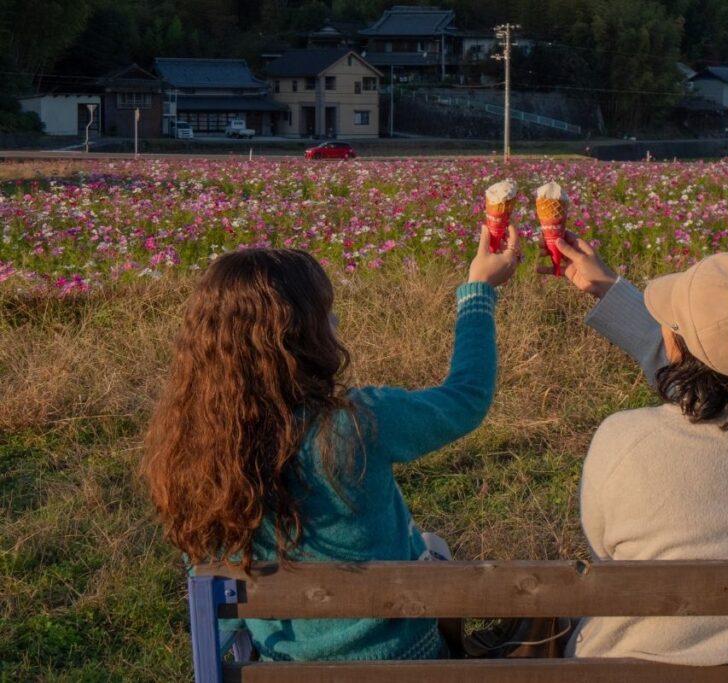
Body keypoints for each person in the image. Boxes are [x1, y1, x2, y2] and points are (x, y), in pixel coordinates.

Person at [142, 226, 521, 661]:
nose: (336, 323)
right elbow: (466, 398)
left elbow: (223, 617)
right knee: (433, 548)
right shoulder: (357, 423)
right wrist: (478, 290)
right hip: (408, 665)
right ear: (296, 337)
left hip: (282, 667)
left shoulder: (194, 453)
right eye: (325, 313)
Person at [548, 235, 728, 666]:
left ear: (676, 343)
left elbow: (602, 551)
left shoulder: (624, 439)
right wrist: (609, 289)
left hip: (625, 665)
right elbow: (720, 369)